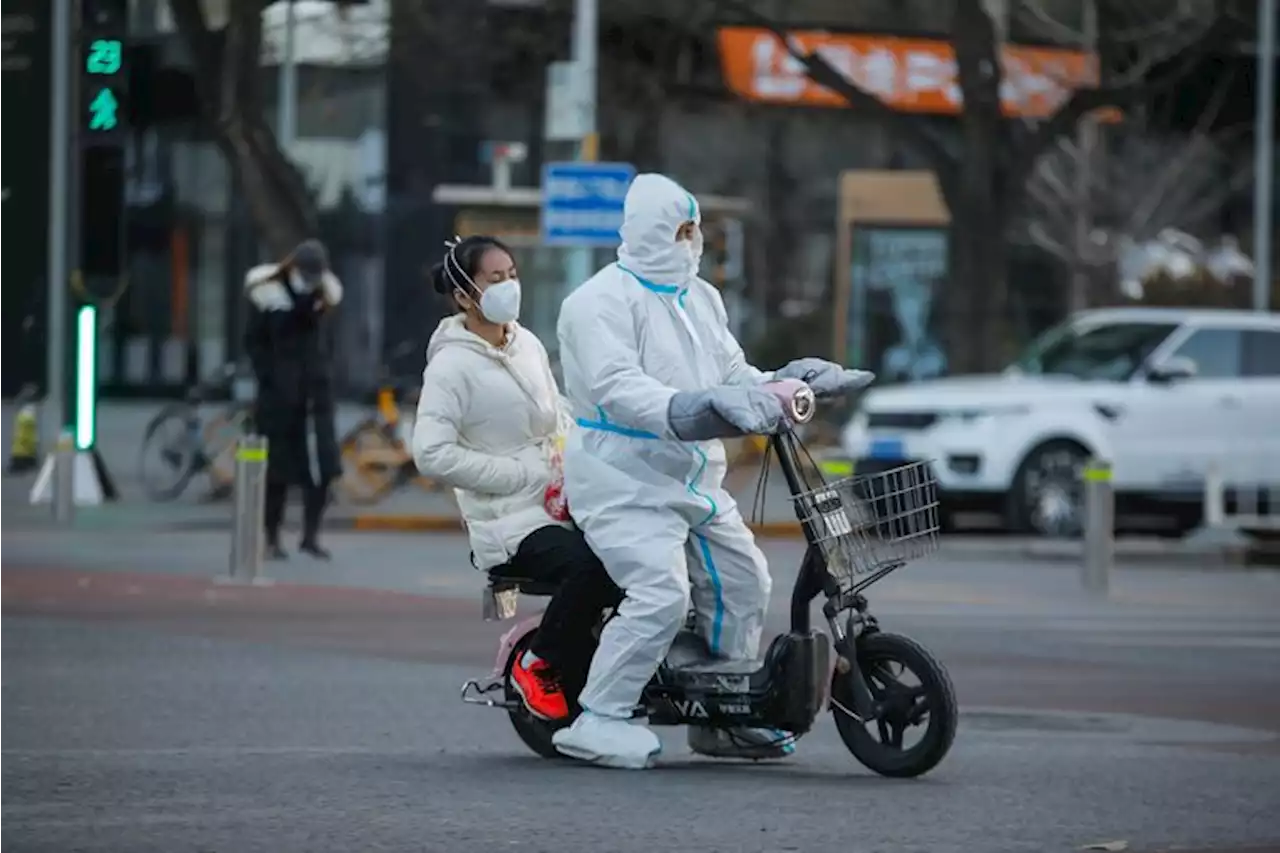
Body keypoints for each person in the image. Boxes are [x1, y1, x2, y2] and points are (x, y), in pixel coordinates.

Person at [552, 173, 874, 769]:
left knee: (747, 580)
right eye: (680, 230)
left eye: (695, 230)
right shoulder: (596, 303)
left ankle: (723, 715)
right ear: (649, 231)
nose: (691, 242)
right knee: (661, 595)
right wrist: (693, 408)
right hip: (623, 479)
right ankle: (598, 716)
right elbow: (620, 391)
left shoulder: (700, 297)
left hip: (696, 476)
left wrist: (787, 383)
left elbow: (731, 373)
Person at [411, 235, 623, 720]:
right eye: (495, 278)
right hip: (507, 521)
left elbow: (556, 415)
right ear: (464, 295)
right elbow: (431, 454)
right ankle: (538, 661)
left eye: (512, 275)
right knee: (590, 569)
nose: (509, 286)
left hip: (559, 499)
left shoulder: (523, 341)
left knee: (637, 554)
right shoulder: (450, 366)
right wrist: (519, 474)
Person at [244, 239, 344, 561]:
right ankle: (272, 536)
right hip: (280, 398)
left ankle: (310, 536)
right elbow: (256, 342)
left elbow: (324, 342)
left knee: (322, 469)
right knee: (277, 471)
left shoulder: (324, 296)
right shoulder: (269, 295)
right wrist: (269, 378)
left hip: (316, 394)